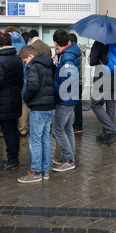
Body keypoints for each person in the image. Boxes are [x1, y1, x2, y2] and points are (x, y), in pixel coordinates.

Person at [17, 45, 55, 183]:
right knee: (45, 139)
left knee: (35, 141)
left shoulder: (34, 66)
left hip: (38, 107)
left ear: (30, 57)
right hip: (49, 106)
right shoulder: (48, 64)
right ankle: (45, 171)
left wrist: (25, 98)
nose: (25, 64)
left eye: (25, 61)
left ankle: (36, 172)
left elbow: (32, 85)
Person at [0, 33, 24, 171]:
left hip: (3, 101)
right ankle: (14, 156)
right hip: (15, 98)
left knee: (8, 131)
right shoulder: (16, 58)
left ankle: (12, 160)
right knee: (14, 129)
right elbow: (21, 80)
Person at [52, 29, 81, 172]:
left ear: (56, 43)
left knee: (57, 129)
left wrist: (55, 88)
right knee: (67, 128)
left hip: (66, 98)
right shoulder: (68, 54)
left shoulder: (67, 57)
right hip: (71, 97)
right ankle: (68, 156)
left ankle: (70, 159)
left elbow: (67, 80)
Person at [89, 41, 116, 146]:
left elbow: (92, 61)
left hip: (102, 79)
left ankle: (112, 130)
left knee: (95, 105)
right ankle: (106, 135)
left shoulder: (99, 43)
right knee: (111, 107)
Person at [70, 33, 86, 134]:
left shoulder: (75, 52)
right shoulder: (81, 50)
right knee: (77, 104)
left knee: (76, 105)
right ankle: (78, 125)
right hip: (80, 80)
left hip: (76, 80)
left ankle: (78, 125)